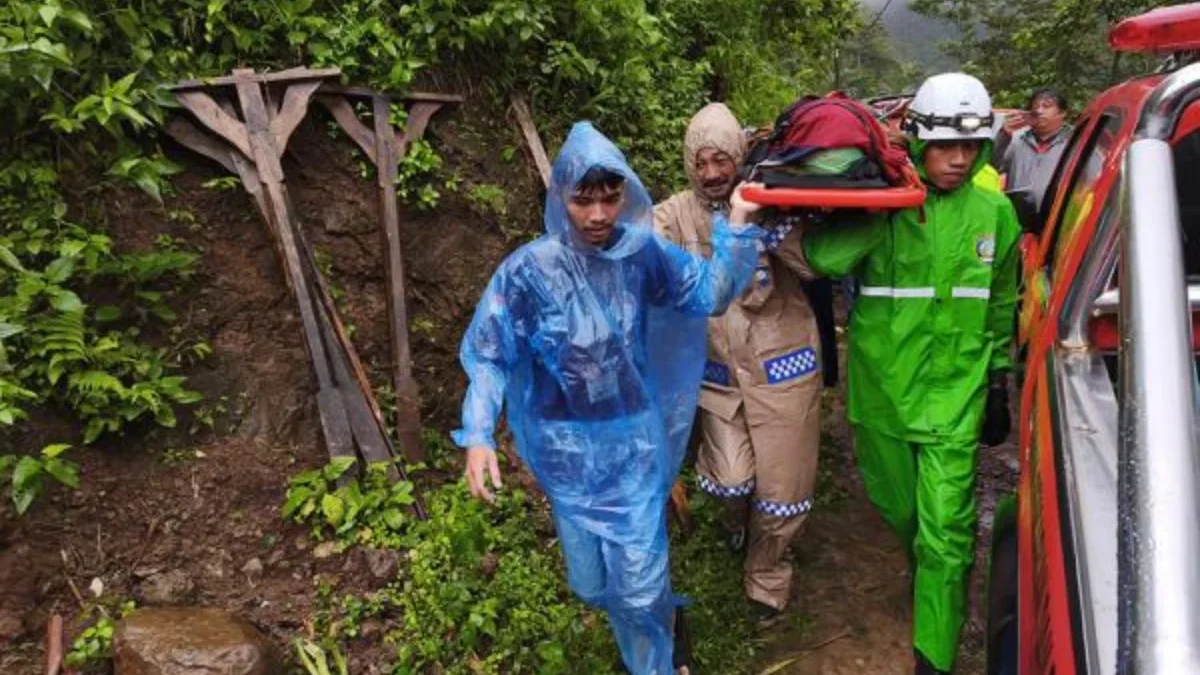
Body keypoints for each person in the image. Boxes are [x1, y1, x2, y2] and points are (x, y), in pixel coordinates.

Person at [454, 121, 764, 675]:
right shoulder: (528, 272)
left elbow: (712, 294)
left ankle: (655, 655)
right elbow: (489, 353)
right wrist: (479, 435)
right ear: (560, 196)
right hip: (567, 456)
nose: (598, 215)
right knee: (593, 585)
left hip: (632, 447)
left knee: (639, 587)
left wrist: (738, 225)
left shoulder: (643, 255)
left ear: (625, 194)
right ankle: (657, 621)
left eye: (610, 198)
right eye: (583, 200)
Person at [787, 73, 1020, 674]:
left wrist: (996, 381)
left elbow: (1000, 301)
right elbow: (822, 260)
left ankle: (932, 655)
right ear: (918, 142)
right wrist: (872, 208)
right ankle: (926, 576)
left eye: (971, 147)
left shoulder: (995, 213)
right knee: (905, 517)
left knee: (947, 531)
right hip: (884, 398)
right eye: (947, 146)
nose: (959, 160)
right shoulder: (889, 206)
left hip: (955, 399)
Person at [653, 103, 825, 619]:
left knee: (784, 489)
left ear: (739, 157)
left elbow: (819, 265)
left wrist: (769, 226)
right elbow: (641, 259)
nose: (711, 174)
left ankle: (767, 578)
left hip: (783, 368)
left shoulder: (773, 199)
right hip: (719, 376)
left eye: (721, 161)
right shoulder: (673, 214)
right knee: (730, 478)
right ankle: (736, 523)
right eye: (701, 163)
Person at [993, 87, 1072, 209]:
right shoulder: (1016, 140)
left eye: (1046, 106)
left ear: (1062, 112)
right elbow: (992, 166)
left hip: (1057, 218)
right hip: (1017, 215)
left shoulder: (1072, 143)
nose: (1039, 111)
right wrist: (1005, 133)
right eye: (1035, 107)